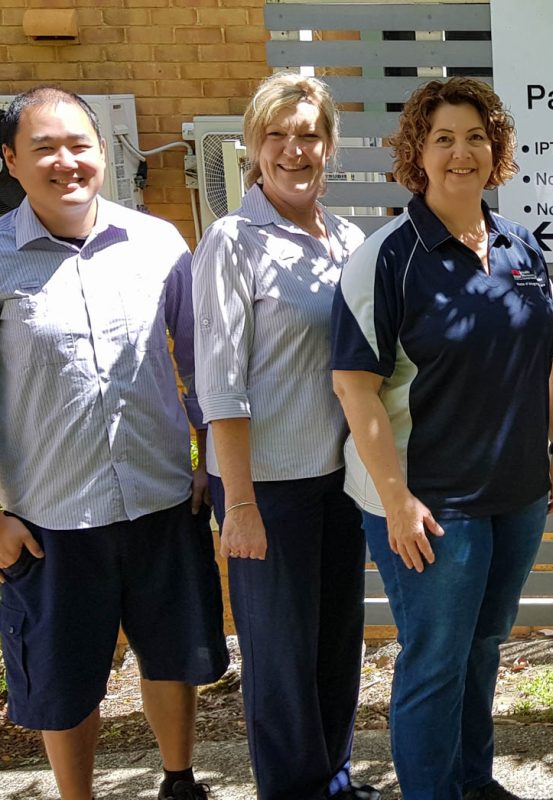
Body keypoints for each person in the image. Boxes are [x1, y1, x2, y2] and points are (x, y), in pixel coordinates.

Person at [329, 76, 553, 800]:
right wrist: (397, 501)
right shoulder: (387, 256)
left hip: (516, 495)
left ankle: (472, 781)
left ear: (496, 148)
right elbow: (355, 386)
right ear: (418, 153)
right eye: (443, 139)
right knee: (435, 661)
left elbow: (551, 355)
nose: (461, 152)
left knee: (481, 650)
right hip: (431, 504)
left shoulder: (519, 243)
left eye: (475, 137)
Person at [0, 87, 227, 800]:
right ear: (10, 160)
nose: (65, 162)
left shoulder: (157, 242)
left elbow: (200, 363)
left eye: (79, 145)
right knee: (63, 678)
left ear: (103, 153)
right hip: (48, 516)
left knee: (173, 657)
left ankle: (179, 779)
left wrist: (209, 459)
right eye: (44, 148)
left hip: (161, 495)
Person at [191, 73, 377, 800]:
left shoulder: (349, 240)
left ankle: (333, 781)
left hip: (342, 483)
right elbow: (220, 387)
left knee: (336, 652)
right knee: (279, 662)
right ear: (252, 147)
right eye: (278, 135)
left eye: (308, 135)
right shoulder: (232, 241)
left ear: (329, 146)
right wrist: (237, 504)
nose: (294, 150)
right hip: (267, 489)